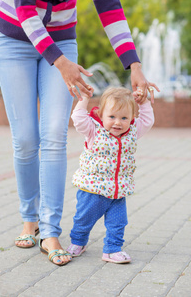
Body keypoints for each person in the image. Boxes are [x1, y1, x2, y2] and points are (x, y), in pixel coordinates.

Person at [0, 0, 158, 266]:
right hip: (14, 37)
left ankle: (49, 232)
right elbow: (24, 10)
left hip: (61, 39)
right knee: (24, 140)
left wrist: (135, 66)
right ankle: (30, 221)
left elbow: (110, 8)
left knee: (55, 135)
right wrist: (60, 63)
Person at [67, 86, 156, 263]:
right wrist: (84, 98)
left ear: (131, 118)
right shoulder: (93, 130)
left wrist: (144, 102)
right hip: (92, 190)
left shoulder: (132, 132)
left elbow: (147, 120)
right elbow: (77, 118)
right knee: (83, 219)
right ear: (100, 115)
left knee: (118, 223)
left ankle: (112, 249)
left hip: (118, 191)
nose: (118, 122)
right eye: (112, 117)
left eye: (124, 118)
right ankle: (78, 241)